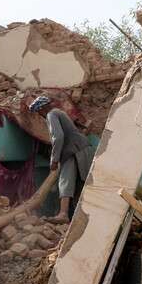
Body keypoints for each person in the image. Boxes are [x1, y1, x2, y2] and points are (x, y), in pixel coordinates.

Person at [29, 95, 94, 224]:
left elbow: (58, 137)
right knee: (80, 184)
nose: (39, 115)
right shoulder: (59, 112)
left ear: (41, 109)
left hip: (73, 151)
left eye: (38, 112)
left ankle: (63, 214)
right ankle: (83, 217)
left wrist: (54, 159)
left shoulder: (51, 115)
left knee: (65, 181)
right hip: (82, 149)